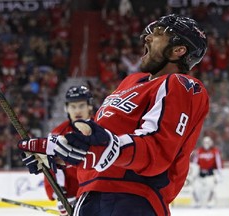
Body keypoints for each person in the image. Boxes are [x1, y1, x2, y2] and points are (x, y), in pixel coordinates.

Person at [18, 14, 209, 216]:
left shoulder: (181, 85)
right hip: (89, 196)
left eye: (159, 34)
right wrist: (57, 152)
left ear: (178, 50)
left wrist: (108, 148)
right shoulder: (131, 82)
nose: (147, 38)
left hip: (133, 199)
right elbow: (100, 143)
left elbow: (157, 150)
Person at [42, 85, 95, 215]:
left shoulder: (102, 129)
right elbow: (51, 169)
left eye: (81, 105)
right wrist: (59, 196)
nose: (77, 110)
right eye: (73, 106)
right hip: (74, 198)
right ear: (66, 108)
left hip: (100, 194)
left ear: (90, 106)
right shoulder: (57, 136)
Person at [191, 136, 223, 208]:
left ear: (211, 143)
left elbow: (218, 163)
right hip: (200, 174)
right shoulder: (199, 151)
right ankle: (197, 201)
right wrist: (193, 173)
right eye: (205, 142)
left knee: (211, 187)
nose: (206, 144)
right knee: (195, 187)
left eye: (208, 142)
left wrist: (220, 174)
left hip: (210, 174)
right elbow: (195, 163)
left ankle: (210, 201)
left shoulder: (215, 151)